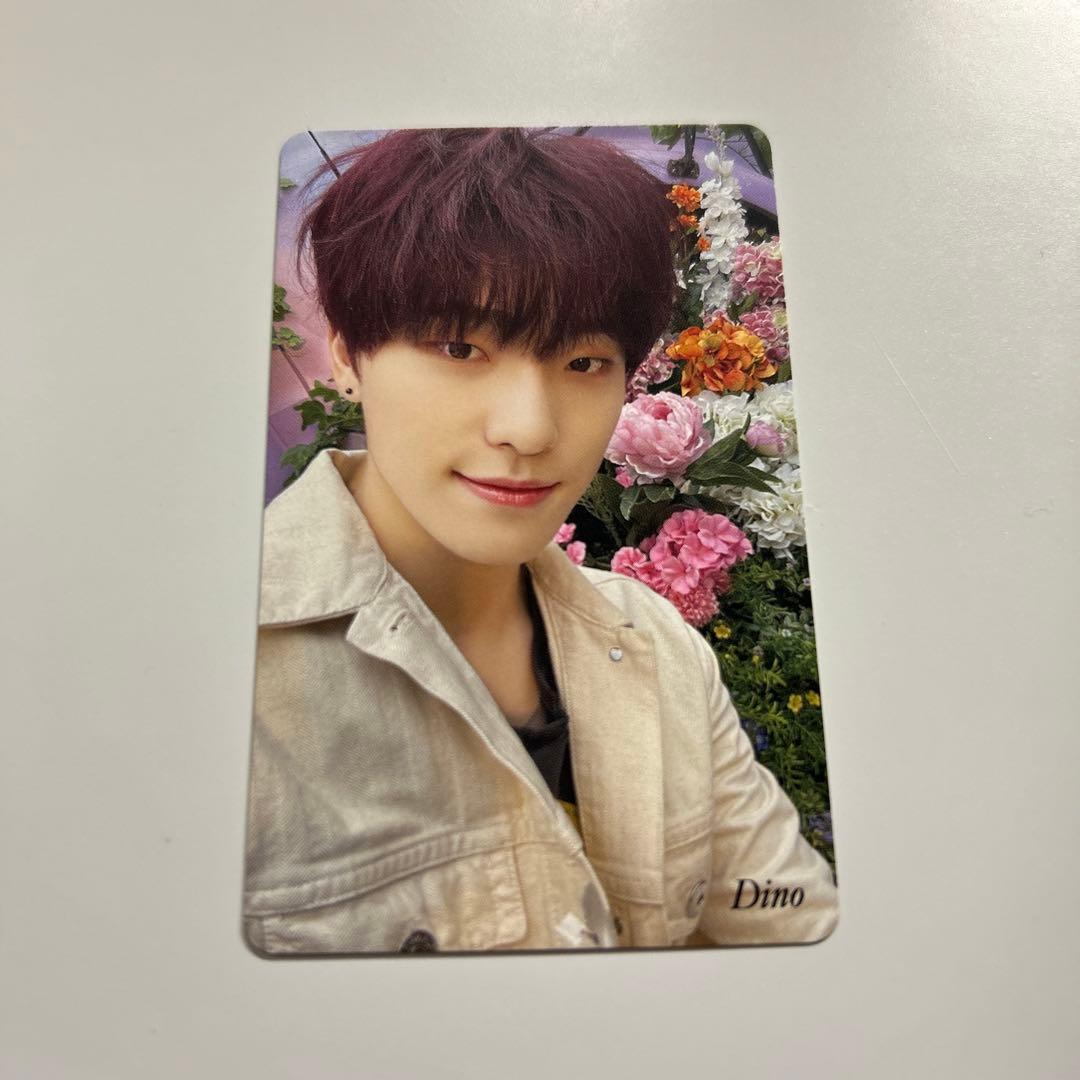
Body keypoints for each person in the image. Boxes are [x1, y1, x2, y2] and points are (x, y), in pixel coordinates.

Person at [243, 127, 838, 954]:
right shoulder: (223, 675)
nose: (529, 429)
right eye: (460, 347)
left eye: (585, 362)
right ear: (346, 353)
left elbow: (787, 924)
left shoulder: (654, 642)